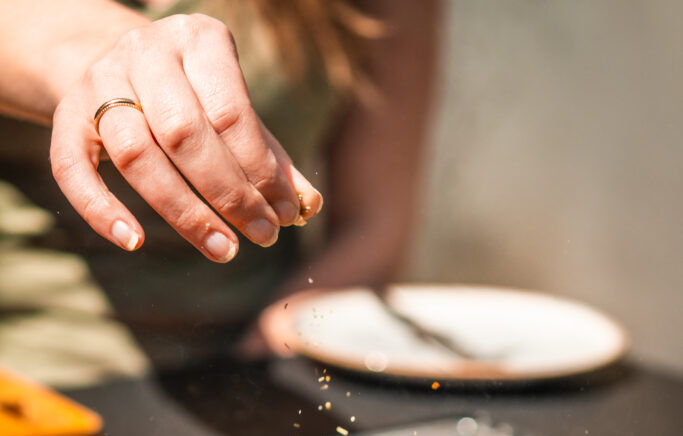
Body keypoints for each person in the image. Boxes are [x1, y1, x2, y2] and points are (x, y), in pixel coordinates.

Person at [0, 0, 439, 380]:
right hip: (32, 375)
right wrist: (120, 59)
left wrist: (266, 353)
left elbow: (373, 225)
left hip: (256, 358)